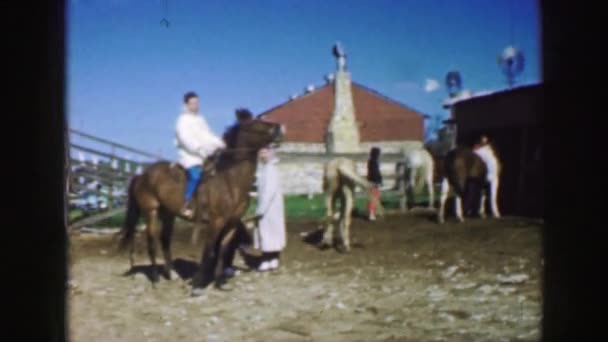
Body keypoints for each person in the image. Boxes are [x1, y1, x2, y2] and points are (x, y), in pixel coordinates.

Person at [175, 91, 226, 219]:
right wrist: (198, 149)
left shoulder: (200, 119)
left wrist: (220, 143)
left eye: (197, 102)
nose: (195, 105)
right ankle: (186, 203)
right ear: (186, 104)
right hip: (190, 155)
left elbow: (208, 135)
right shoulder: (182, 120)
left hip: (205, 154)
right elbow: (184, 139)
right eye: (192, 103)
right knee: (196, 176)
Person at [253, 147, 286, 271]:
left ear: (270, 154)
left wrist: (261, 209)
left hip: (270, 207)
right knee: (269, 232)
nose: (262, 155)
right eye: (260, 153)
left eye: (265, 153)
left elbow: (269, 191)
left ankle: (270, 259)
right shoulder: (264, 169)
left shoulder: (271, 169)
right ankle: (270, 258)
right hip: (267, 205)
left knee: (270, 232)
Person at [366, 147, 383, 221]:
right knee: (374, 197)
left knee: (375, 197)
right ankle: (371, 214)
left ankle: (373, 212)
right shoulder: (374, 162)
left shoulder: (371, 161)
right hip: (374, 182)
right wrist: (378, 181)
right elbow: (376, 173)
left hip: (372, 181)